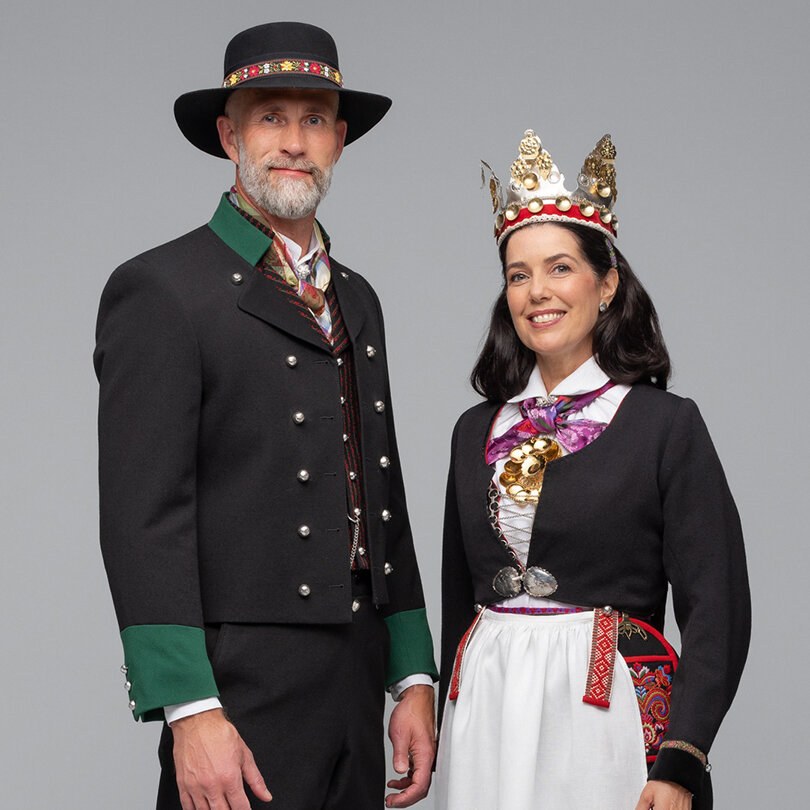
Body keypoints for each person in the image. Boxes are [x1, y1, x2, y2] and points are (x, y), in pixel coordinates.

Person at [94, 22, 438, 810]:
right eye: (270, 118)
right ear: (229, 136)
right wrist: (189, 708)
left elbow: (381, 490)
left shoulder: (358, 298)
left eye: (314, 119)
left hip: (357, 672)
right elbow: (144, 518)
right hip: (238, 681)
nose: (293, 141)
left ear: (339, 141)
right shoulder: (161, 288)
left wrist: (412, 672)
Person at [435, 129, 750, 810]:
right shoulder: (473, 432)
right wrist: (441, 725)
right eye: (518, 274)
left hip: (606, 709)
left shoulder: (665, 425)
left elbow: (718, 606)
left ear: (606, 284)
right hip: (486, 708)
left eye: (559, 268)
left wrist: (682, 759)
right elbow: (458, 603)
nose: (536, 292)